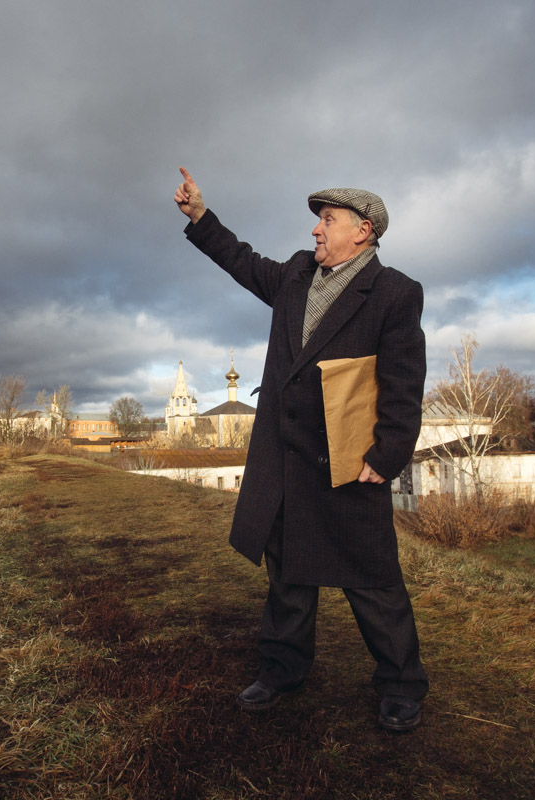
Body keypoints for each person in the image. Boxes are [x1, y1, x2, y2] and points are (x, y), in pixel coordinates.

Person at [173, 166, 429, 732]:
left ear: (362, 231)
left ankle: (401, 686)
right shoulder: (293, 275)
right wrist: (199, 216)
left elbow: (404, 385)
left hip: (348, 461)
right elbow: (242, 261)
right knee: (287, 577)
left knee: (372, 580)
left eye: (327, 220)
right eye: (317, 220)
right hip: (285, 458)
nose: (316, 230)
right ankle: (282, 670)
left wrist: (385, 457)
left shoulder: (394, 293)